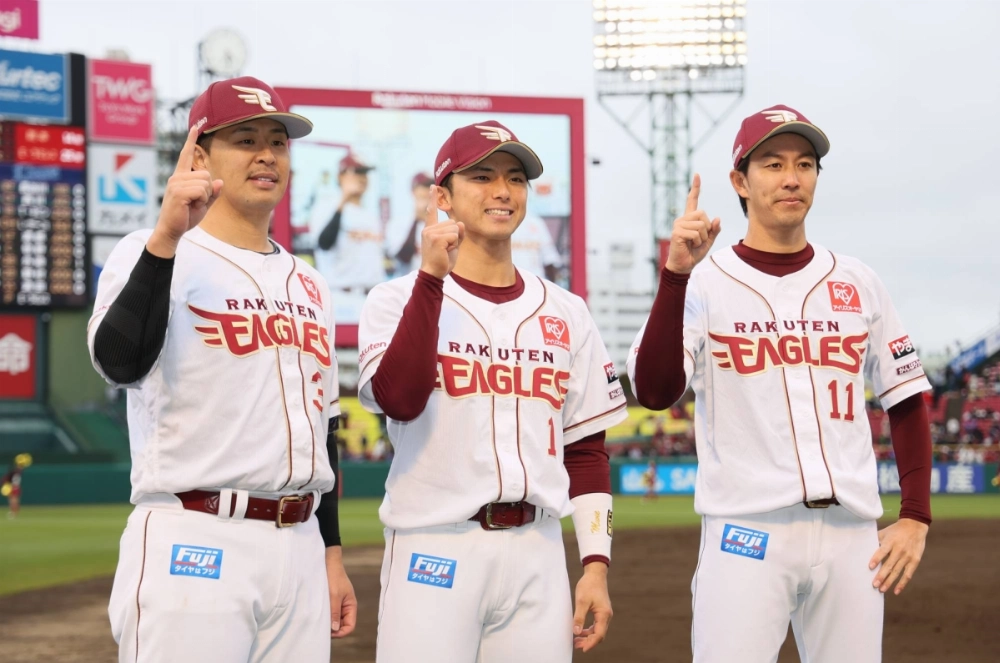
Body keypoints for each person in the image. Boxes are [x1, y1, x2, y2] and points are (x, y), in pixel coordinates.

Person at [627, 104, 933, 663]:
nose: (792, 177)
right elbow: (653, 391)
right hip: (746, 533)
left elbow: (907, 396)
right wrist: (674, 275)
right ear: (740, 181)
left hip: (850, 535)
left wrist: (915, 514)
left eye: (805, 163)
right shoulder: (704, 283)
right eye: (772, 164)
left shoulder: (858, 282)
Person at [87, 76, 356, 663]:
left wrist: (331, 554)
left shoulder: (310, 282)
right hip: (196, 536)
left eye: (278, 142)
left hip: (300, 545)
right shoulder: (152, 250)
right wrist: (166, 235)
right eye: (245, 139)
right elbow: (119, 362)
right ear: (198, 155)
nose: (266, 155)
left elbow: (324, 425)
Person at [357, 120, 628, 662]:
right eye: (481, 176)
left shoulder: (566, 311)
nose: (503, 191)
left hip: (539, 551)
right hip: (435, 548)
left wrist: (595, 565)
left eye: (515, 177)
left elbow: (586, 451)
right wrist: (431, 280)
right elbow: (400, 399)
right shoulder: (394, 300)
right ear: (442, 197)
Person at [313, 153, 386, 294]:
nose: (362, 178)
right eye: (357, 172)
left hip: (372, 293)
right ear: (340, 176)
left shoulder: (370, 215)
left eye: (365, 173)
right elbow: (324, 243)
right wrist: (344, 199)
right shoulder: (326, 206)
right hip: (341, 293)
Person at [386, 172, 433, 276]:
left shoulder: (442, 224)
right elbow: (403, 257)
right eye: (424, 186)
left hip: (434, 287)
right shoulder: (398, 223)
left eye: (431, 186)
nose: (428, 190)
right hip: (406, 287)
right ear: (413, 191)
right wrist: (416, 220)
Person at [511, 211, 563, 281]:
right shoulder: (502, 224)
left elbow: (550, 260)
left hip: (535, 283)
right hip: (512, 283)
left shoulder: (536, 222)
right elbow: (550, 261)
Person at [1, 453, 31, 519]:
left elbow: (10, 479)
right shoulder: (16, 470)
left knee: (14, 501)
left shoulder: (17, 470)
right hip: (13, 487)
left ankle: (14, 513)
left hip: (14, 487)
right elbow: (7, 478)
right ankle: (13, 513)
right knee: (13, 501)